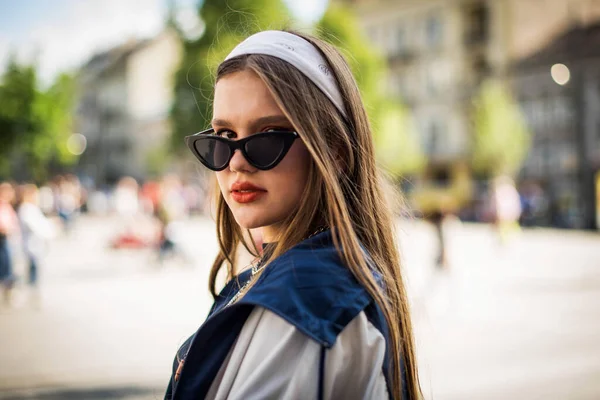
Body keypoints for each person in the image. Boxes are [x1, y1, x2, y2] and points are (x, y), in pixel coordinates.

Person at [165, 30, 421, 400]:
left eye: (268, 134)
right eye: (224, 134)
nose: (236, 162)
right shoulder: (297, 280)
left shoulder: (307, 299)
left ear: (333, 150)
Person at [17, 184, 56, 307]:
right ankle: (31, 289)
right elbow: (35, 226)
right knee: (33, 267)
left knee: (36, 267)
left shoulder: (32, 208)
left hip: (36, 244)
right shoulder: (26, 208)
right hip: (31, 243)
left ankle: (33, 288)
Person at [0, 182, 19, 306]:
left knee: (7, 267)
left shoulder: (7, 206)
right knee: (5, 267)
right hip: (2, 238)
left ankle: (8, 294)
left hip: (7, 238)